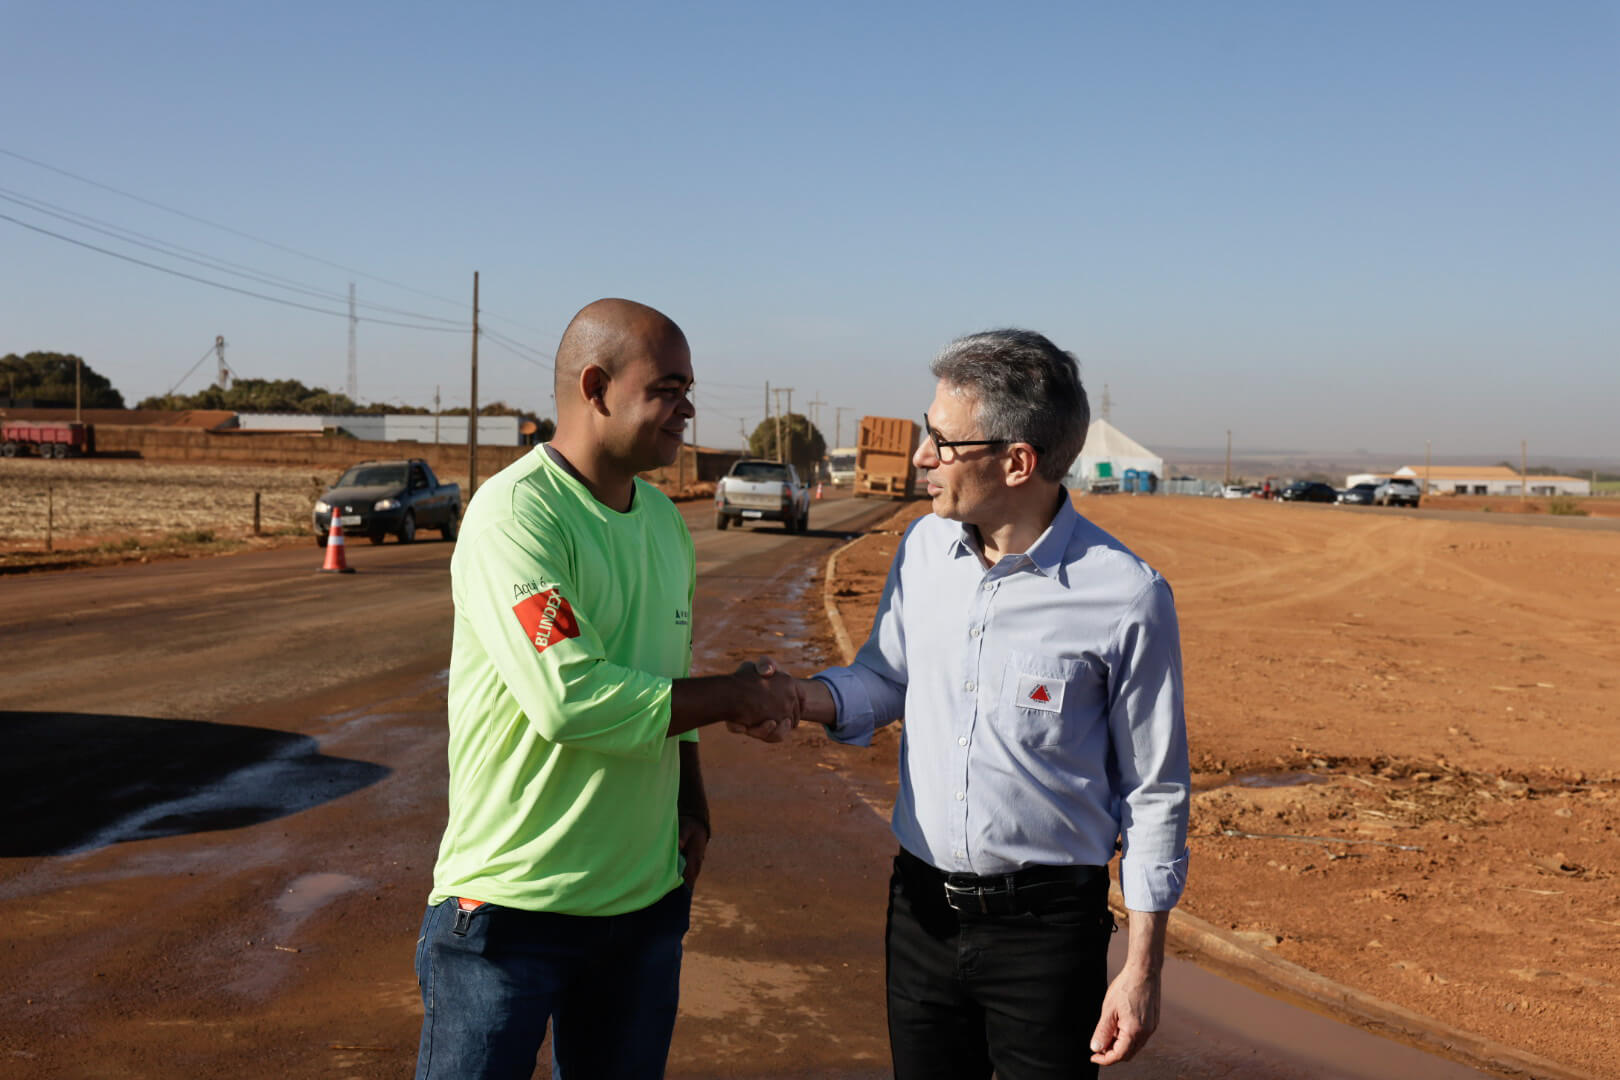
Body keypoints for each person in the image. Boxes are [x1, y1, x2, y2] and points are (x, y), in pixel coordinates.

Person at [414, 298, 800, 1080]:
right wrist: (733, 696)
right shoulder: (515, 516)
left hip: (641, 908)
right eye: (669, 387)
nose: (688, 409)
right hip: (512, 911)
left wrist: (692, 799)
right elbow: (571, 698)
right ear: (596, 387)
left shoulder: (662, 522)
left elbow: (664, 667)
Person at [791, 329, 1190, 1079]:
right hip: (918, 917)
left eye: (942, 442)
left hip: (1047, 937)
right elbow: (885, 677)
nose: (920, 457)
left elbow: (1155, 790)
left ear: (1017, 461)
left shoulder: (1127, 596)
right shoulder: (922, 553)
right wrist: (799, 699)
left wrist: (1142, 970)